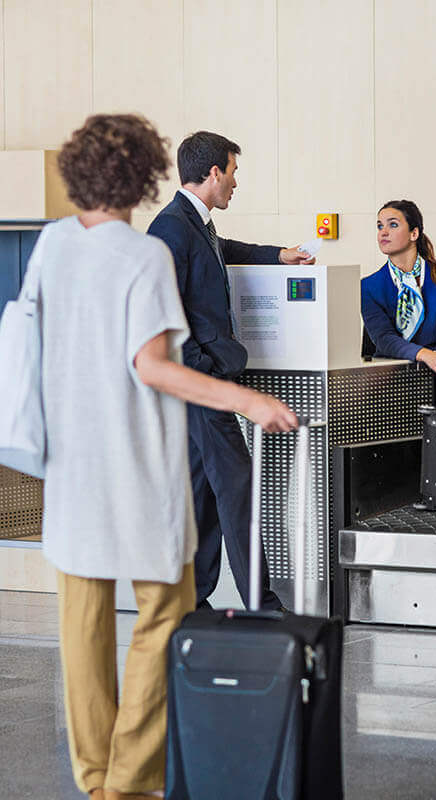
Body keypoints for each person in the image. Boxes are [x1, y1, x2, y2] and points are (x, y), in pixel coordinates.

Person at [39, 114, 297, 800]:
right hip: (132, 457)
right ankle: (128, 779)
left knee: (83, 627)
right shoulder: (144, 252)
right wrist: (244, 401)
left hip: (69, 465)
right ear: (147, 172)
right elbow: (154, 364)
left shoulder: (52, 246)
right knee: (167, 606)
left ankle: (98, 780)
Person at [147, 131, 312, 611]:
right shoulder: (170, 229)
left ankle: (193, 602)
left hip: (204, 384)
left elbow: (224, 249)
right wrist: (206, 368)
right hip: (201, 385)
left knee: (203, 493)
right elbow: (166, 316)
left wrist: (278, 255)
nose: (236, 182)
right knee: (238, 489)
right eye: (234, 172)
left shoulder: (193, 223)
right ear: (214, 172)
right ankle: (263, 606)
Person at [360, 199, 436, 404]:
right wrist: (426, 355)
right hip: (390, 384)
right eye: (379, 226)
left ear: (414, 233)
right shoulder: (369, 287)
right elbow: (384, 340)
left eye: (393, 224)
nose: (383, 232)